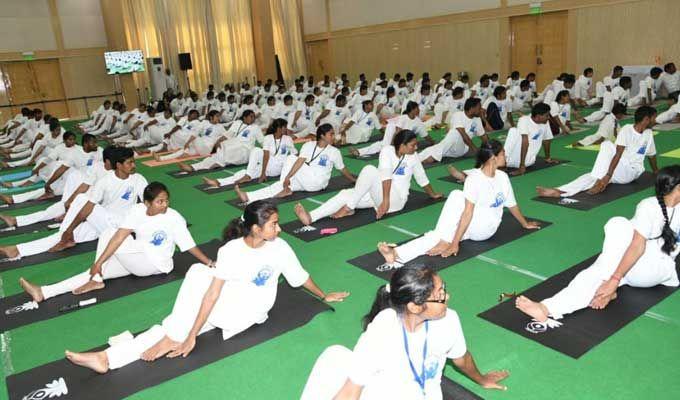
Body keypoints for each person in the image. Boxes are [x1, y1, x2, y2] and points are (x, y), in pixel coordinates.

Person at [64, 200, 350, 374]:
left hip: (250, 311)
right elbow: (213, 295)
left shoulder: (281, 248)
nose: (280, 228)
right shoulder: (231, 251)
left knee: (198, 273)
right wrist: (188, 334)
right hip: (226, 306)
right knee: (172, 323)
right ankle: (107, 359)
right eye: (274, 224)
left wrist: (324, 294)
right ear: (255, 229)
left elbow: (300, 276)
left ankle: (171, 335)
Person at [300, 265, 509, 399]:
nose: (448, 296)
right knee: (336, 355)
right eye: (440, 294)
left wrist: (482, 379)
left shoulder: (446, 319)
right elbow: (350, 391)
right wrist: (481, 379)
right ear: (415, 307)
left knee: (335, 355)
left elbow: (462, 358)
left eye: (443, 289)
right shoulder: (387, 327)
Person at [517, 165, 680, 323]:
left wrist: (614, 280)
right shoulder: (651, 207)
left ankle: (549, 307)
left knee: (615, 231)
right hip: (654, 270)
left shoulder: (649, 205)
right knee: (615, 235)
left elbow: (637, 247)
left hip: (647, 270)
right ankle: (606, 287)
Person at [19, 182, 211, 301]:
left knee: (110, 239)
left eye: (166, 200)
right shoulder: (137, 210)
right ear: (147, 203)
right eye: (160, 201)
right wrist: (98, 265)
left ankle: (96, 278)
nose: (165, 205)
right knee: (98, 262)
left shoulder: (174, 217)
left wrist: (209, 262)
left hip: (155, 264)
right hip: (136, 256)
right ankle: (44, 292)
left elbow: (188, 244)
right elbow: (120, 236)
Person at [378, 140, 540, 268]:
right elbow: (467, 213)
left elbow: (512, 204)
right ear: (493, 158)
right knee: (437, 233)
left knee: (455, 198)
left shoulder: (502, 177)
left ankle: (442, 240)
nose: (506, 156)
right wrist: (453, 242)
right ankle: (397, 254)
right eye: (503, 154)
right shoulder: (474, 178)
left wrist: (525, 224)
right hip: (472, 224)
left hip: (485, 229)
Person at [294, 130, 442, 225]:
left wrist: (433, 194)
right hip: (380, 196)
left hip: (396, 201)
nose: (416, 148)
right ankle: (311, 217)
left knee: (370, 170)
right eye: (412, 145)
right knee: (345, 193)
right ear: (401, 145)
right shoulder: (387, 151)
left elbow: (422, 179)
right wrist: (383, 200)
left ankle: (349, 208)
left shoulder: (413, 157)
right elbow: (385, 177)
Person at [537, 106, 659, 198]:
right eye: (654, 117)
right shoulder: (627, 130)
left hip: (632, 171)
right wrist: (607, 176)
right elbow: (618, 154)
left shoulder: (648, 134)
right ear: (646, 119)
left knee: (606, 145)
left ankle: (600, 181)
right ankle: (560, 191)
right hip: (619, 169)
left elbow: (651, 155)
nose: (655, 120)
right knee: (589, 176)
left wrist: (656, 172)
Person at [234, 124, 356, 204]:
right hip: (305, 178)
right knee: (277, 186)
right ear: (322, 135)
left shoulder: (334, 151)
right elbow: (300, 162)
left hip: (318, 182)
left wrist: (353, 179)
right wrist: (288, 179)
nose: (333, 136)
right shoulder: (308, 145)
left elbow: (342, 169)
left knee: (292, 159)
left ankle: (285, 185)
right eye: (331, 134)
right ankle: (248, 196)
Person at [203, 119, 296, 188]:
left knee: (255, 155)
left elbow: (294, 154)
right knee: (244, 170)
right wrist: (263, 173)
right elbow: (266, 155)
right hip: (267, 165)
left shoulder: (288, 139)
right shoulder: (268, 138)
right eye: (284, 127)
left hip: (278, 167)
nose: (286, 129)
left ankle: (248, 175)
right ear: (278, 128)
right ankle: (218, 182)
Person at [177, 110, 262, 173]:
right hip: (234, 145)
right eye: (251, 116)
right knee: (218, 151)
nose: (253, 118)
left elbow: (262, 141)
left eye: (254, 117)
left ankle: (218, 163)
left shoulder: (256, 128)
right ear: (245, 117)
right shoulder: (237, 123)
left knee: (226, 151)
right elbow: (227, 134)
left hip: (245, 150)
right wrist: (218, 142)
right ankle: (193, 167)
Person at [418, 98, 488, 165]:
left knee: (455, 133)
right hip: (450, 146)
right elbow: (464, 135)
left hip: (461, 148)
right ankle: (415, 159)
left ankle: (433, 157)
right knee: (433, 149)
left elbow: (483, 136)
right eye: (479, 108)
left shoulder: (477, 119)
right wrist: (475, 150)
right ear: (472, 109)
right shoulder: (458, 115)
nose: (481, 110)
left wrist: (490, 148)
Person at [350, 102, 431, 158]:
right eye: (417, 108)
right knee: (384, 145)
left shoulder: (418, 122)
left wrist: (433, 142)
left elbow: (426, 135)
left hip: (403, 138)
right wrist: (392, 143)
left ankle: (359, 151)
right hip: (393, 131)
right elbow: (397, 131)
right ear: (413, 110)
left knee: (382, 145)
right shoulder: (403, 118)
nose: (419, 110)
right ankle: (360, 152)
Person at [503, 103, 557, 176]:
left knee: (513, 131)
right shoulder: (524, 120)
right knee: (513, 130)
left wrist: (548, 158)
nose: (549, 118)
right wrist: (522, 165)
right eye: (546, 115)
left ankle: (503, 162)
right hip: (513, 159)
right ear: (538, 116)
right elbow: (525, 142)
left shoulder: (545, 123)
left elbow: (547, 140)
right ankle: (503, 160)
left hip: (527, 161)